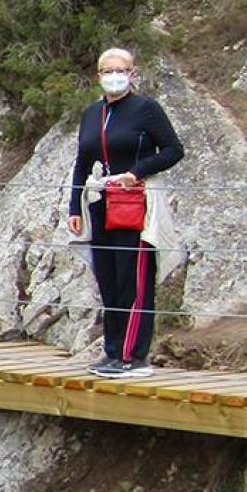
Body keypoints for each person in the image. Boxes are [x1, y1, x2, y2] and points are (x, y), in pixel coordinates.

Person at [66, 47, 184, 378]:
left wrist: (138, 171)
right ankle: (113, 351)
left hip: (135, 203)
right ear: (98, 76)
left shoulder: (146, 109)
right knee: (108, 278)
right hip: (101, 203)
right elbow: (81, 162)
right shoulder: (92, 114)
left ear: (132, 74)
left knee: (133, 278)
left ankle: (133, 356)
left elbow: (174, 150)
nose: (114, 75)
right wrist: (74, 206)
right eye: (108, 70)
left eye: (122, 69)